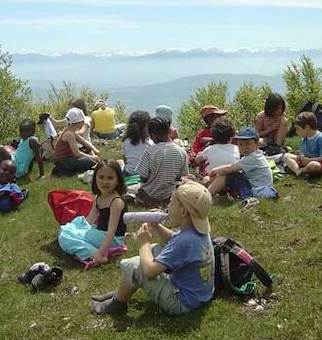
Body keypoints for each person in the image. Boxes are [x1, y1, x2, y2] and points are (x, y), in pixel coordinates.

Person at [91, 180, 214, 316]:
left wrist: (144, 242)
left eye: (171, 202)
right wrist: (156, 225)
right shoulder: (197, 232)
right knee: (156, 249)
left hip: (182, 302)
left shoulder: (185, 242)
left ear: (183, 212)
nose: (168, 206)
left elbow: (149, 271)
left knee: (137, 266)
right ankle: (120, 292)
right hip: (199, 296)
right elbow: (173, 241)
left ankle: (117, 304)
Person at [58, 160, 128, 268]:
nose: (105, 182)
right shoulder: (99, 197)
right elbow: (89, 219)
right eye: (101, 177)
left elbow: (111, 232)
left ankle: (95, 254)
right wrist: (78, 228)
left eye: (110, 178)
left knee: (66, 236)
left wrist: (100, 252)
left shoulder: (116, 202)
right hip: (100, 232)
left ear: (117, 181)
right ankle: (80, 240)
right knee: (74, 224)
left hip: (112, 238)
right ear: (95, 179)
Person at [207, 127, 275, 198]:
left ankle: (206, 196)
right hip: (258, 188)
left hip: (257, 190)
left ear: (257, 144)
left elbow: (229, 168)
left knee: (227, 175)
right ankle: (213, 192)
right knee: (231, 176)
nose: (244, 147)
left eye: (247, 144)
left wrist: (213, 171)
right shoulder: (255, 155)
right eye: (241, 144)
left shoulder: (253, 158)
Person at [135, 117, 189, 207]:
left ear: (153, 135)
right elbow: (180, 176)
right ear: (169, 132)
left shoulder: (150, 151)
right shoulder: (181, 151)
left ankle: (151, 202)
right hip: (171, 194)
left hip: (151, 194)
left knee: (134, 189)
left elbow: (143, 177)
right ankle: (168, 201)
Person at [281, 112, 322, 178]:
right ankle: (298, 172)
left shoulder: (321, 139)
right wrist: (302, 157)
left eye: (298, 129)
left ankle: (301, 170)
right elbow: (303, 152)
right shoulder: (305, 138)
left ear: (307, 127)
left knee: (313, 165)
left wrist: (308, 160)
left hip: (320, 163)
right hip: (306, 160)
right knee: (286, 156)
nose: (296, 132)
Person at [52, 108, 100, 177]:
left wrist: (95, 149)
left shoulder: (70, 130)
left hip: (67, 158)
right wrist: (92, 157)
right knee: (89, 161)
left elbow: (83, 141)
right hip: (62, 161)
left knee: (88, 157)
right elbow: (76, 153)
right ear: (78, 122)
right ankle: (64, 170)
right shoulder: (69, 134)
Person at [189, 105, 228, 171]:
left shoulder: (226, 130)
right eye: (218, 116)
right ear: (209, 119)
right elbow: (196, 151)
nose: (220, 118)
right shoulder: (202, 134)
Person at [122, 110, 153, 177]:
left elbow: (125, 160)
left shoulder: (126, 142)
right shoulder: (149, 143)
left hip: (128, 173)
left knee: (120, 162)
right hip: (142, 175)